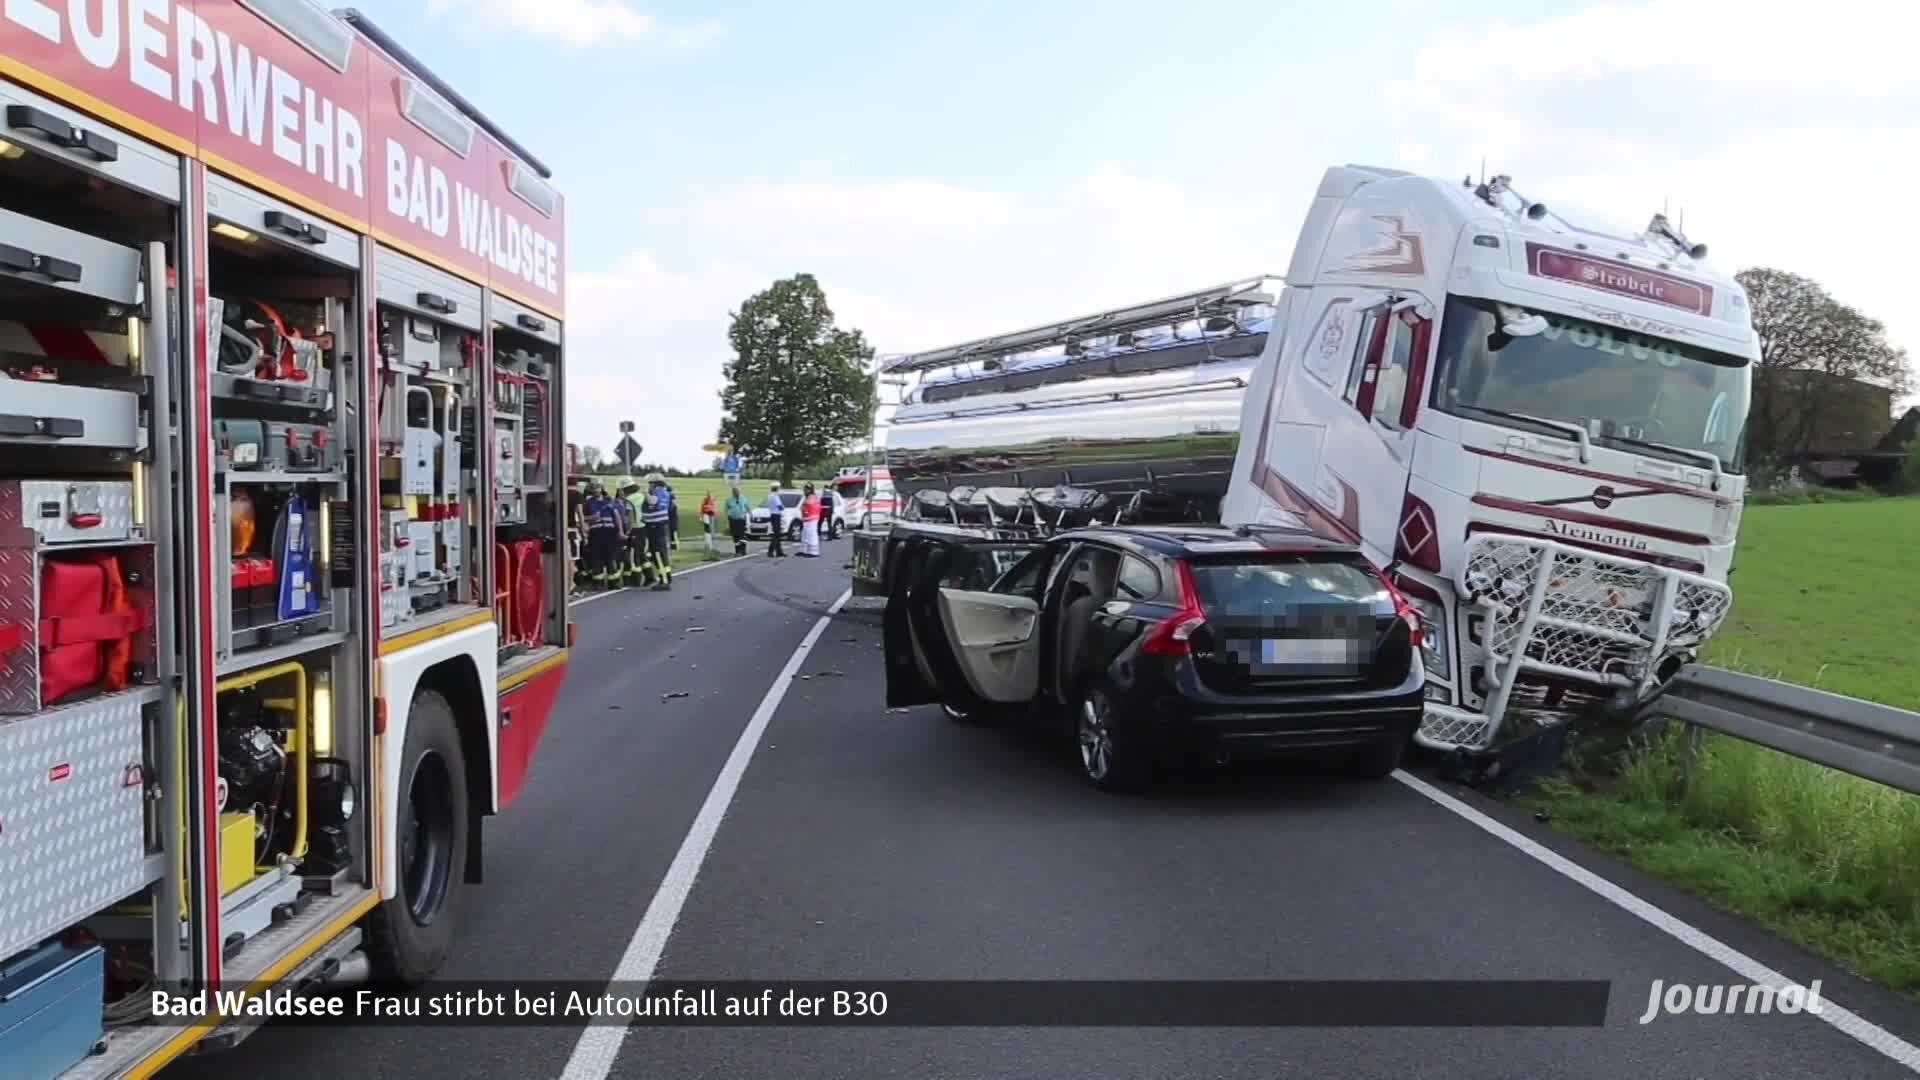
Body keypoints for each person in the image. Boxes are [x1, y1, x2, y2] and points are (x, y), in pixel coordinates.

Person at [582, 483, 623, 589]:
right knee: (597, 559)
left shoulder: (610, 501)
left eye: (598, 488)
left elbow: (617, 516)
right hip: (595, 534)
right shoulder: (587, 503)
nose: (596, 490)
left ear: (601, 489)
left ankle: (614, 582)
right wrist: (592, 517)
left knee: (611, 558)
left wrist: (620, 531)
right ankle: (598, 583)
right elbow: (582, 518)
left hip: (610, 533)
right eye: (594, 488)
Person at [640, 475, 674, 589]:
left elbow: (653, 502)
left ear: (655, 483)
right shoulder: (666, 492)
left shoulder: (656, 492)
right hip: (660, 525)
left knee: (658, 554)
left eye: (650, 483)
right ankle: (667, 576)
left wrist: (646, 493)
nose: (649, 486)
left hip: (655, 526)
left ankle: (664, 581)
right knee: (662, 553)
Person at [724, 486, 750, 556]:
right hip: (733, 520)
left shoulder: (744, 499)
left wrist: (751, 516)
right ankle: (737, 551)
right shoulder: (729, 500)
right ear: (733, 492)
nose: (737, 493)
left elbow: (748, 508)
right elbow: (726, 511)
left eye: (738, 491)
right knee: (735, 536)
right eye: (735, 491)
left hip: (741, 519)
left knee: (742, 535)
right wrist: (726, 521)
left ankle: (743, 550)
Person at [763, 483, 787, 557]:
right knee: (776, 534)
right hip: (776, 515)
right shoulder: (775, 496)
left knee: (777, 534)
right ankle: (771, 551)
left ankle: (779, 551)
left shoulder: (770, 496)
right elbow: (780, 506)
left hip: (772, 514)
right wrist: (783, 507)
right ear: (776, 488)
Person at [799, 483, 822, 558]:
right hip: (807, 519)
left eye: (807, 489)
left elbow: (810, 507)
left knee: (811, 535)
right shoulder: (808, 497)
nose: (805, 490)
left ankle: (813, 552)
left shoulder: (812, 497)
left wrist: (803, 509)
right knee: (805, 534)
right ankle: (804, 550)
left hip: (811, 519)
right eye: (805, 489)